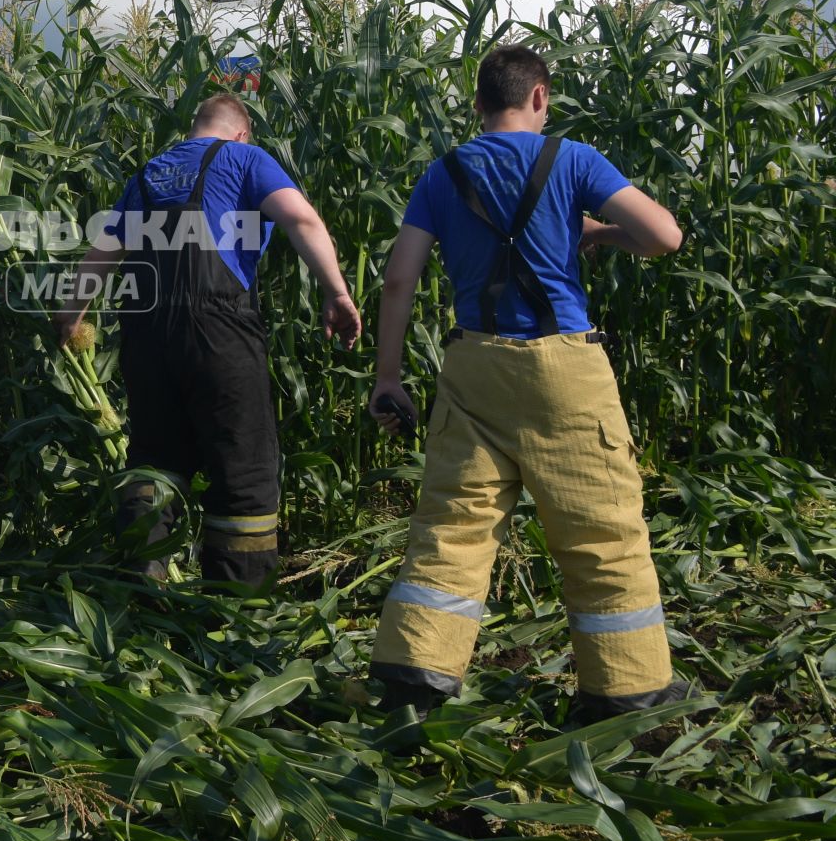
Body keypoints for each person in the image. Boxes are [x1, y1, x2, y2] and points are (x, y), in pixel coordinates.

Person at [367, 44, 691, 721]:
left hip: (474, 367)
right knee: (601, 531)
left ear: (481, 103)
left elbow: (399, 278)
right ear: (539, 97)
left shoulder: (444, 172)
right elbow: (664, 236)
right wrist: (596, 236)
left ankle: (412, 681)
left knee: (452, 529)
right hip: (564, 369)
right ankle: (625, 692)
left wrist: (389, 375)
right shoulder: (571, 160)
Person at [58, 92, 362, 585]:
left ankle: (142, 580)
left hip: (147, 335)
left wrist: (72, 317)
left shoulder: (149, 174)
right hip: (218, 331)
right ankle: (238, 604)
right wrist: (336, 292)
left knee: (155, 458)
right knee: (243, 463)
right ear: (240, 132)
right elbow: (300, 218)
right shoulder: (244, 158)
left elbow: (101, 252)